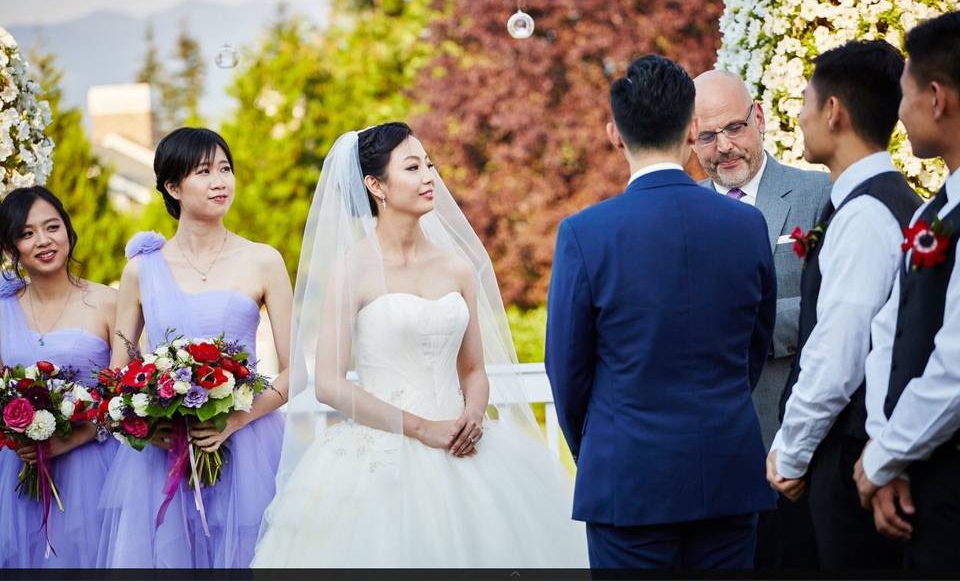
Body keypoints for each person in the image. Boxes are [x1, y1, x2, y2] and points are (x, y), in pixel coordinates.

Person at [252, 122, 587, 568]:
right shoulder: (351, 270)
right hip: (383, 456)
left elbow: (473, 371)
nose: (429, 177)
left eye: (429, 164)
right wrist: (421, 428)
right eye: (412, 167)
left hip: (464, 445)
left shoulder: (458, 268)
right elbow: (329, 384)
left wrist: (472, 413)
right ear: (376, 185)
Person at [545, 55, 776, 569]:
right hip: (727, 470)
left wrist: (601, 445)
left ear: (614, 133)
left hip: (627, 479)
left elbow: (565, 368)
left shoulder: (586, 234)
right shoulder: (746, 225)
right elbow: (753, 348)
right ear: (693, 129)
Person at [96, 127, 291, 568]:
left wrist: (237, 420)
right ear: (173, 186)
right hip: (162, 458)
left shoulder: (263, 259)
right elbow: (116, 375)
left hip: (250, 446)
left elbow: (296, 371)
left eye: (225, 169)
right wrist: (147, 426)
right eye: (204, 171)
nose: (220, 181)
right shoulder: (141, 271)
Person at [768, 40, 919, 569]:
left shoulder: (863, 215)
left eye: (806, 101)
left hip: (846, 459)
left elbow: (839, 352)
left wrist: (791, 450)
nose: (801, 115)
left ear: (833, 111)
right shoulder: (893, 202)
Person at [694, 69, 830, 570]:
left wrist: (744, 330)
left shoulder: (818, 194)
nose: (724, 147)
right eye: (707, 136)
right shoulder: (684, 211)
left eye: (734, 128)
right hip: (709, 461)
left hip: (793, 448)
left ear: (760, 118)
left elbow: (834, 310)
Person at [854, 11, 960, 570]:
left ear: (937, 98)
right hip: (921, 481)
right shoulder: (931, 210)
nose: (899, 112)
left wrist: (884, 458)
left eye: (905, 94)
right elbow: (887, 334)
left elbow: (956, 364)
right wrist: (886, 450)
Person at [0, 186, 116, 568]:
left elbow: (127, 395)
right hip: (19, 469)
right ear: (11, 247)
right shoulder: (3, 310)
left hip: (94, 468)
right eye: (27, 233)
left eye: (52, 227)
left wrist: (76, 435)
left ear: (68, 230)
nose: (43, 241)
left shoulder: (108, 302)